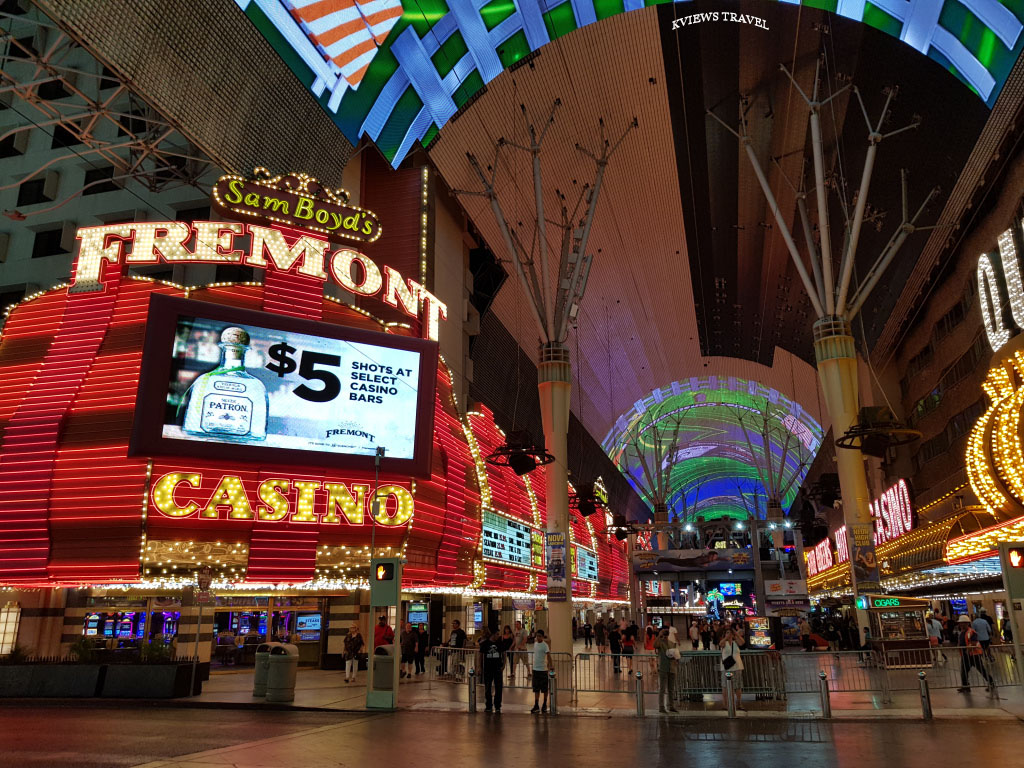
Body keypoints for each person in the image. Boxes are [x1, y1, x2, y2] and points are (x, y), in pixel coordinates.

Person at [957, 614, 994, 693]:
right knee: (964, 671)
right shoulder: (962, 632)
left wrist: (968, 650)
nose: (961, 625)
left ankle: (991, 683)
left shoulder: (971, 632)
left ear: (967, 623)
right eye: (960, 623)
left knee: (981, 670)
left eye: (963, 623)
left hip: (974, 655)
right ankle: (965, 686)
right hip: (966, 655)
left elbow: (973, 642)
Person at [479, 629, 505, 713]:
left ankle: (497, 705)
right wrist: (480, 667)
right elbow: (481, 656)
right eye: (497, 634)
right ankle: (488, 705)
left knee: (498, 687)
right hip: (488, 668)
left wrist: (503, 665)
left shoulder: (499, 643)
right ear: (493, 635)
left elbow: (504, 653)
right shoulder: (485, 644)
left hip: (497, 668)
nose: (498, 636)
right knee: (488, 687)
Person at [719, 628, 745, 711]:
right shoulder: (724, 643)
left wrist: (736, 634)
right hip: (727, 668)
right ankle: (725, 704)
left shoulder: (735, 643)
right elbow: (720, 643)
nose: (729, 634)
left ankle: (739, 703)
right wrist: (726, 637)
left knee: (738, 686)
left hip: (737, 667)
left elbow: (742, 642)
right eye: (727, 632)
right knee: (725, 686)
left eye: (730, 633)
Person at [654, 627, 678, 713]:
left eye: (665, 635)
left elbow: (676, 653)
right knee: (663, 688)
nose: (664, 637)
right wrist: (658, 636)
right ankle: (661, 706)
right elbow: (654, 645)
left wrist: (676, 658)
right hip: (664, 667)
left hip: (671, 667)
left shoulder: (672, 643)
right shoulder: (660, 643)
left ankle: (671, 705)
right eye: (663, 635)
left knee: (671, 688)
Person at [530, 628, 552, 714]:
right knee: (536, 689)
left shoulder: (545, 645)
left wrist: (551, 666)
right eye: (537, 636)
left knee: (544, 688)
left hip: (543, 670)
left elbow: (549, 656)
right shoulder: (535, 644)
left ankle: (544, 704)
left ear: (543, 637)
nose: (538, 638)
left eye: (539, 636)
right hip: (535, 669)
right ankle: (536, 705)